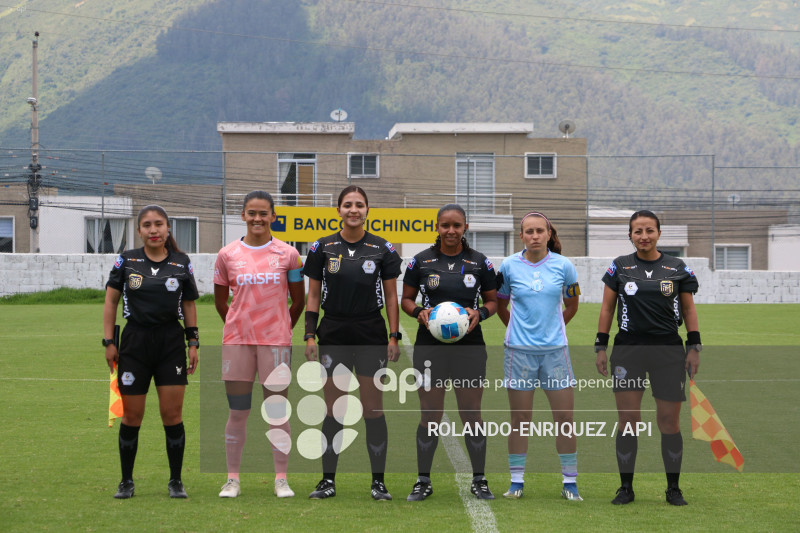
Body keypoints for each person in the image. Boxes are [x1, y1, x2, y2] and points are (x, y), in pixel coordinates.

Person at [595, 210, 701, 506]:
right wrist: (600, 346)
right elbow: (607, 309)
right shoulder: (619, 266)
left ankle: (673, 489)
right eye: (638, 231)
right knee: (628, 420)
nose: (644, 236)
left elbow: (689, 309)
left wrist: (694, 346)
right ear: (630, 235)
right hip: (628, 351)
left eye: (649, 230)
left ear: (659, 233)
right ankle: (625, 488)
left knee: (669, 421)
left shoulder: (677, 267)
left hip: (668, 351)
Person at [303, 185, 402, 501]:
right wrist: (309, 334)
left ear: (367, 210)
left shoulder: (382, 248)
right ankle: (327, 481)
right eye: (348, 204)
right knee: (334, 409)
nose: (353, 210)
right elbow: (313, 295)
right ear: (339, 210)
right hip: (334, 333)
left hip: (371, 333)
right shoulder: (322, 247)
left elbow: (391, 296)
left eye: (359, 205)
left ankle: (378, 483)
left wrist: (394, 336)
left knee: (372, 409)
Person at [401, 204, 498, 501]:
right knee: (430, 414)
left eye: (457, 225)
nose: (451, 231)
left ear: (465, 227)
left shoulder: (480, 262)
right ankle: (423, 480)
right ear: (438, 227)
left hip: (469, 348)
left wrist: (480, 313)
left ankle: (479, 479)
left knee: (471, 413)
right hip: (430, 348)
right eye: (445, 225)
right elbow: (406, 299)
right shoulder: (421, 261)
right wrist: (418, 312)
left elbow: (493, 302)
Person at [103, 205, 199, 499]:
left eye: (159, 224)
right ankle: (126, 481)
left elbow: (189, 304)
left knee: (172, 414)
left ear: (168, 228)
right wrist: (109, 341)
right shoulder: (127, 260)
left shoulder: (181, 262)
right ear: (139, 230)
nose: (153, 230)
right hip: (135, 343)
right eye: (147, 225)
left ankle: (176, 481)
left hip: (170, 343)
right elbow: (111, 302)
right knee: (132, 416)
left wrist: (193, 342)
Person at [213, 191, 305, 499]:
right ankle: (232, 480)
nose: (257, 218)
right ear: (242, 215)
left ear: (273, 216)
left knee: (277, 413)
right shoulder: (227, 255)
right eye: (251, 213)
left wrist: (281, 329)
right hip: (238, 344)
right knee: (238, 412)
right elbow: (221, 302)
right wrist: (239, 326)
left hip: (275, 345)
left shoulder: (289, 254)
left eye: (263, 213)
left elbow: (298, 301)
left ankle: (281, 479)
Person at [496, 212, 582, 501]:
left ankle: (570, 483)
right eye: (529, 231)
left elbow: (572, 305)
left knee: (564, 418)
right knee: (520, 419)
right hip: (518, 354)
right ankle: (516, 482)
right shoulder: (508, 266)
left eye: (539, 231)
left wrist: (552, 330)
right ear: (521, 235)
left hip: (555, 354)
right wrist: (517, 331)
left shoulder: (564, 266)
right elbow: (501, 305)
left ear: (548, 234)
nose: (534, 236)